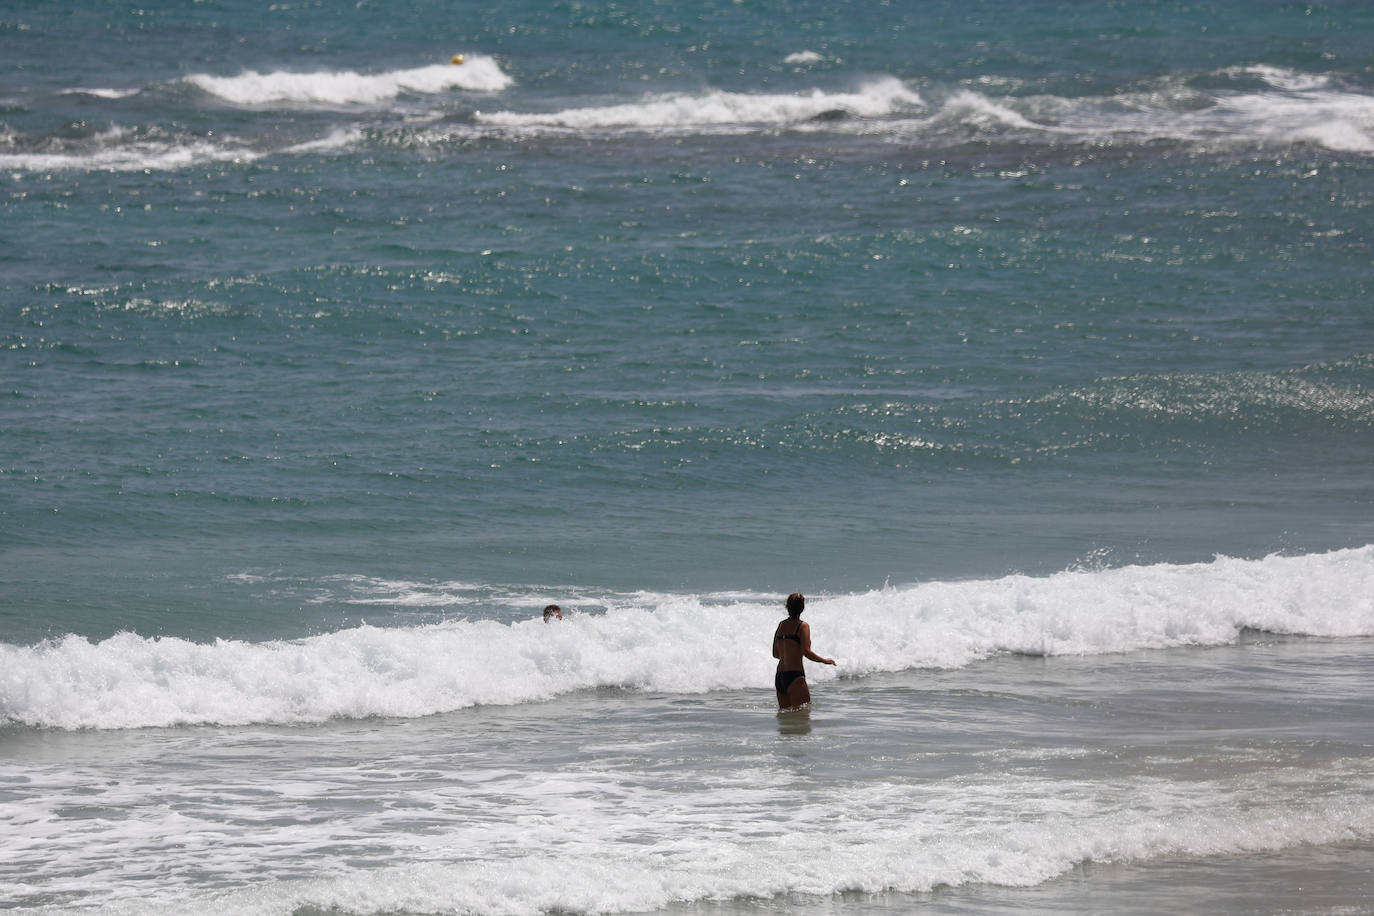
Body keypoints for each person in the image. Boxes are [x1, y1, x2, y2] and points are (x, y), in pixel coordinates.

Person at [772, 592, 836, 709]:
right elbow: (806, 652)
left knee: (786, 721)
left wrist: (788, 653)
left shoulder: (781, 625)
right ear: (802, 607)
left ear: (787, 606)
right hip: (795, 677)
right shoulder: (802, 626)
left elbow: (775, 654)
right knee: (802, 719)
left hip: (780, 677)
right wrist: (824, 661)